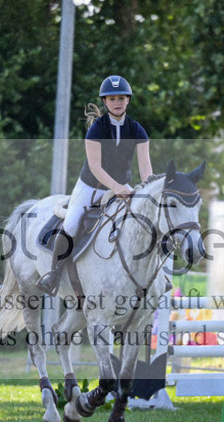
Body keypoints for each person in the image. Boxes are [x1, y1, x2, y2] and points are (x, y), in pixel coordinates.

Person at [36, 75, 153, 296]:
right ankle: (53, 273)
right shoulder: (96, 130)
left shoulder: (137, 130)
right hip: (91, 187)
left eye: (121, 98)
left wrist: (148, 191)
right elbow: (95, 167)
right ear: (105, 102)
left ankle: (148, 276)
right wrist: (116, 187)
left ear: (128, 100)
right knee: (71, 224)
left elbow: (145, 167)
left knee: (142, 221)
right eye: (112, 99)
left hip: (122, 187)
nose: (117, 102)